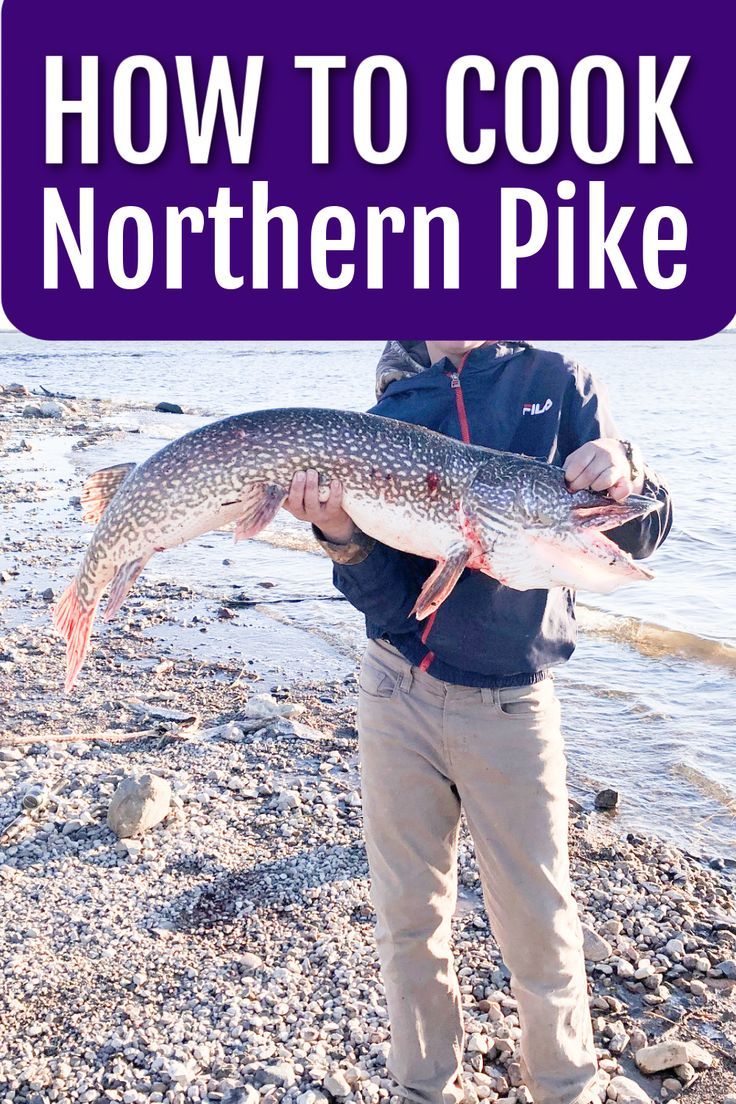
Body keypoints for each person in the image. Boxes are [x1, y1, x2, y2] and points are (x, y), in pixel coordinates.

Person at [284, 340, 672, 1104]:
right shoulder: (394, 413)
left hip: (513, 705)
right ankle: (423, 1088)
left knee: (539, 919)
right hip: (397, 694)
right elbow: (391, 604)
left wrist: (630, 469)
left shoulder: (559, 382)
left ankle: (564, 1089)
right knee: (408, 917)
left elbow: (637, 527)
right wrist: (338, 537)